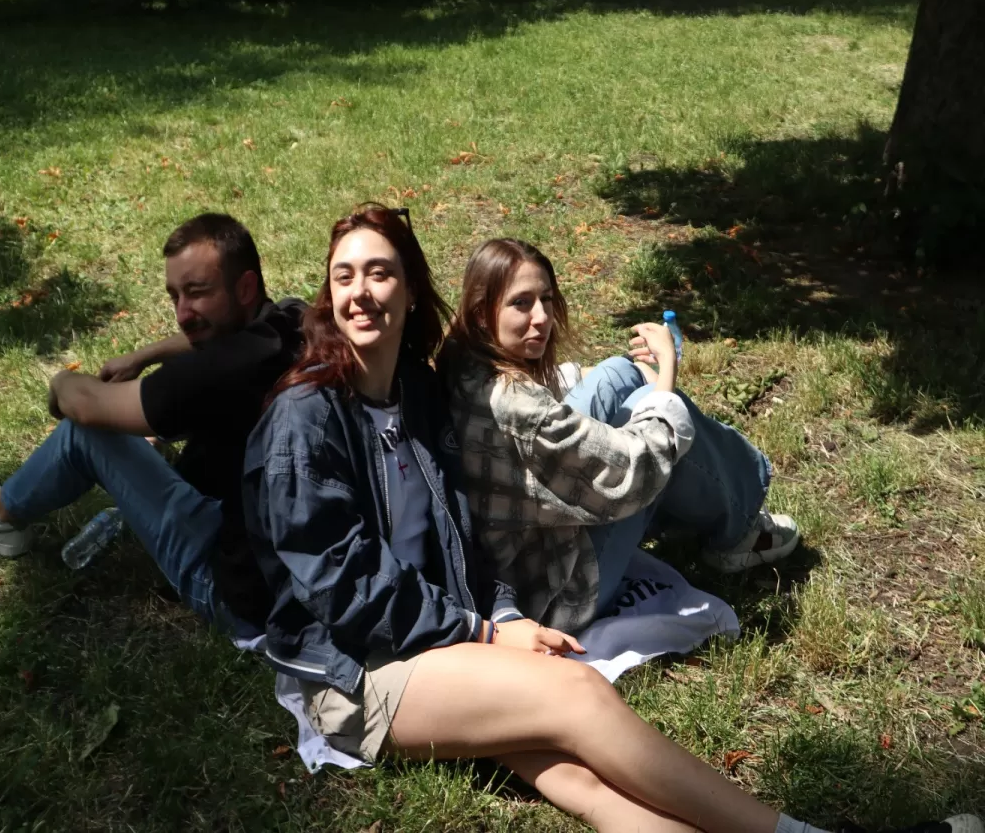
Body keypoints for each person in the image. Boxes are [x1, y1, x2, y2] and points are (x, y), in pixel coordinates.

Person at [242, 206, 977, 833]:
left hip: (437, 635)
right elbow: (345, 591)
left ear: (409, 290)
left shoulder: (418, 393)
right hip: (360, 670)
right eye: (345, 276)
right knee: (577, 693)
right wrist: (486, 631)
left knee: (586, 784)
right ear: (328, 293)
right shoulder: (305, 420)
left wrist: (500, 610)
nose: (361, 292)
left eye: (380, 273)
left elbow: (467, 535)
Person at [0, 213, 305, 637]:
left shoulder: (214, 373)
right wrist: (143, 356)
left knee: (85, 435)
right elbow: (212, 340)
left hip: (233, 592)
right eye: (175, 296)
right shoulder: (291, 323)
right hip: (288, 578)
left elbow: (85, 406)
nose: (182, 314)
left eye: (197, 292)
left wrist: (61, 383)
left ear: (244, 288)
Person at [437, 237, 800, 633]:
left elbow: (554, 398)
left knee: (618, 373)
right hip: (554, 593)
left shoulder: (463, 360)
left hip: (526, 549)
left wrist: (637, 376)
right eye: (521, 303)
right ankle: (739, 531)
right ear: (482, 312)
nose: (541, 317)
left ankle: (719, 510)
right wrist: (666, 370)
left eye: (546, 299)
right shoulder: (519, 410)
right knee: (655, 411)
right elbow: (635, 470)